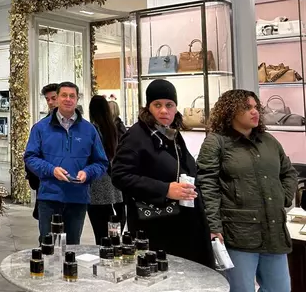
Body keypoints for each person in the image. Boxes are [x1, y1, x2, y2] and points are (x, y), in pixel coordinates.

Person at [196, 90, 297, 291]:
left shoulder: (268, 141)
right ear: (230, 111)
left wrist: (284, 197)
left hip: (274, 230)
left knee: (280, 288)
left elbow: (289, 172)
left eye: (256, 107)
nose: (255, 112)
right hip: (238, 233)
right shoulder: (216, 142)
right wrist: (214, 226)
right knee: (241, 289)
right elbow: (207, 186)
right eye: (247, 107)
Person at [111, 79, 213, 267]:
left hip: (183, 224)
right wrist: (164, 189)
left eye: (169, 105)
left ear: (176, 107)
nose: (164, 111)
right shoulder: (137, 136)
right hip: (156, 228)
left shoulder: (171, 133)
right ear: (148, 107)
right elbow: (119, 175)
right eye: (157, 105)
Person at [25, 81, 108, 244]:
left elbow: (101, 163)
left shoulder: (89, 130)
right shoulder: (40, 128)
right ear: (58, 98)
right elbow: (30, 158)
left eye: (72, 96)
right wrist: (51, 170)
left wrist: (88, 172)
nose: (68, 99)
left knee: (72, 245)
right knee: (47, 244)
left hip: (77, 198)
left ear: (77, 100)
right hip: (49, 197)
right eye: (64, 95)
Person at [87, 95, 125, 242]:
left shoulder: (93, 129)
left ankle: (105, 253)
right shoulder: (113, 128)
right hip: (112, 181)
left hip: (97, 182)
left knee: (100, 229)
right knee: (111, 223)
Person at [26, 83, 59, 221]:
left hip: (72, 190)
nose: (50, 102)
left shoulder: (80, 127)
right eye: (47, 99)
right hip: (46, 186)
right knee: (47, 234)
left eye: (53, 98)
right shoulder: (40, 127)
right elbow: (30, 156)